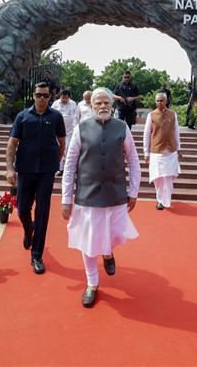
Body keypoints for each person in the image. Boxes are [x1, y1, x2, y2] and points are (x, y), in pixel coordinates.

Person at [61, 87, 141, 308]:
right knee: (88, 241)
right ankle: (92, 283)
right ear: (91, 105)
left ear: (112, 105)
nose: (103, 106)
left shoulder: (122, 128)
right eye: (98, 103)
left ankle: (107, 253)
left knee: (113, 234)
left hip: (116, 195)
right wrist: (66, 198)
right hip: (87, 195)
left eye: (106, 102)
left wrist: (133, 191)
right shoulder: (81, 129)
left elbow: (133, 161)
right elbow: (69, 165)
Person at [6, 83, 66, 274]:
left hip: (46, 172)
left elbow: (62, 143)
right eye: (38, 95)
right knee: (22, 208)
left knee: (42, 211)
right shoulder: (22, 116)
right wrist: (9, 169)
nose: (42, 98)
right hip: (25, 170)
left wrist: (54, 162)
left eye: (45, 95)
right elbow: (12, 143)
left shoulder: (56, 117)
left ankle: (37, 255)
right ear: (33, 96)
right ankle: (28, 229)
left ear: (50, 97)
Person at [143, 92, 182, 210]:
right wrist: (146, 152)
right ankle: (160, 200)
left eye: (161, 100)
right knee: (158, 178)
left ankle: (167, 199)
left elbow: (177, 132)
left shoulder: (173, 114)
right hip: (156, 152)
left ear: (166, 101)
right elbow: (146, 134)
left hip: (171, 152)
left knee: (169, 177)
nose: (159, 102)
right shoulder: (151, 115)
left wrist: (179, 148)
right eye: (157, 101)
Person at [51, 88, 80, 176]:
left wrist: (76, 128)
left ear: (69, 97)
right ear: (60, 96)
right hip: (57, 132)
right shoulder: (55, 104)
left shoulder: (73, 104)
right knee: (59, 149)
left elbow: (76, 116)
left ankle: (69, 169)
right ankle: (60, 169)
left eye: (66, 98)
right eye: (63, 98)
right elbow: (51, 114)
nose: (64, 100)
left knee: (68, 150)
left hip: (70, 132)